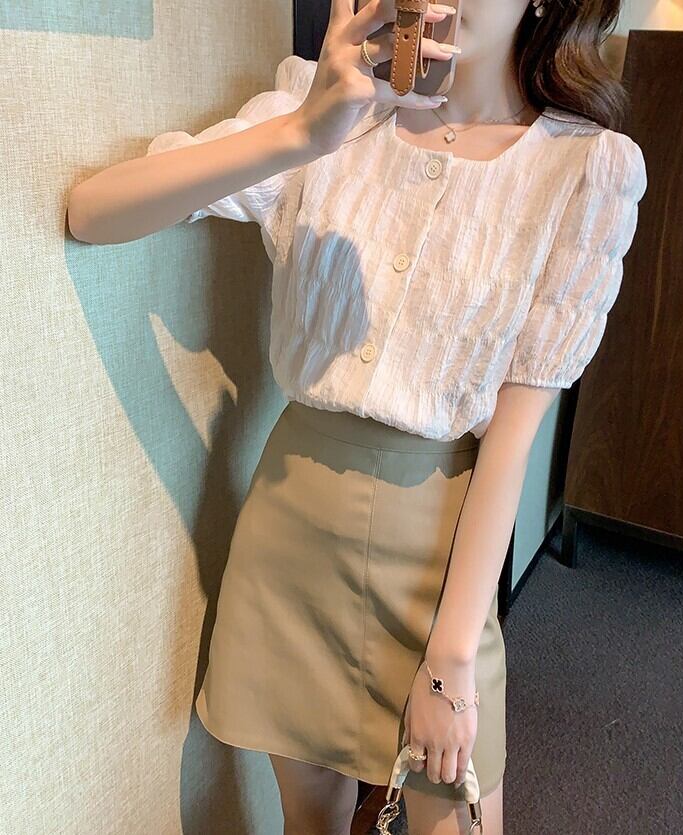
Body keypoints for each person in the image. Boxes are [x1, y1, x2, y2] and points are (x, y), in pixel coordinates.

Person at [67, 0, 647, 831]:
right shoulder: (323, 115)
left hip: (440, 557)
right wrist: (306, 131)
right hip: (290, 538)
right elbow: (93, 212)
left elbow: (511, 436)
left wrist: (450, 662)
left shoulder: (584, 170)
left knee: (461, 813)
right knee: (311, 822)